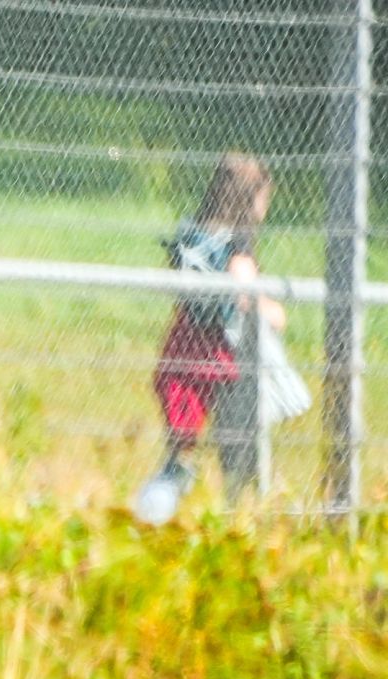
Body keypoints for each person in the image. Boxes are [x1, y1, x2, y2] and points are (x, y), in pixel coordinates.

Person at [132, 153, 310, 524]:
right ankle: (238, 514)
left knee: (183, 450)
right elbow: (242, 285)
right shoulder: (237, 240)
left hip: (183, 343)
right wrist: (272, 310)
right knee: (239, 452)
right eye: (263, 198)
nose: (266, 206)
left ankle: (164, 507)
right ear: (249, 199)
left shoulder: (195, 231)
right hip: (223, 355)